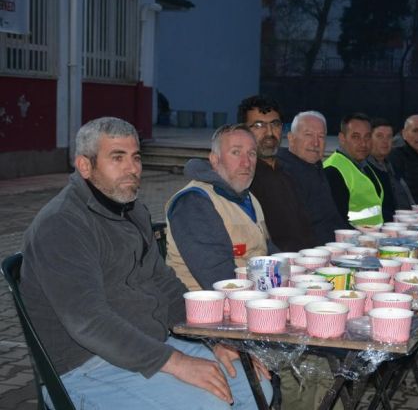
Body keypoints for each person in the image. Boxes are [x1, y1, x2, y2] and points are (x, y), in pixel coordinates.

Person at [20, 117, 272, 409]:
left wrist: (214, 340)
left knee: (255, 388)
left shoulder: (131, 211)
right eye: (118, 158)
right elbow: (88, 322)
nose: (132, 168)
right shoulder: (62, 224)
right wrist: (176, 362)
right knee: (211, 403)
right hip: (85, 365)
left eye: (136, 157)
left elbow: (165, 285)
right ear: (85, 166)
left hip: (148, 344)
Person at [166, 125, 270, 290]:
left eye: (252, 154)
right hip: (205, 309)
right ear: (215, 160)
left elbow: (266, 250)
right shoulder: (194, 202)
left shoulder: (248, 197)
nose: (246, 163)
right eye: (236, 152)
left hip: (249, 295)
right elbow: (219, 279)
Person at [238, 95, 317, 252]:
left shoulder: (291, 171)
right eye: (259, 125)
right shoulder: (243, 178)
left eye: (275, 124)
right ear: (243, 131)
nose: (269, 133)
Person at [278, 111, 350, 245]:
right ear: (291, 138)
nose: (316, 143)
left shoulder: (315, 167)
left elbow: (332, 218)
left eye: (321, 137)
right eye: (308, 135)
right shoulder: (283, 174)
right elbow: (297, 232)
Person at [324, 112, 387, 226]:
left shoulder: (364, 165)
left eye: (367, 137)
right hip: (353, 242)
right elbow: (335, 222)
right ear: (342, 138)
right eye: (356, 137)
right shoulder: (332, 171)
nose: (363, 143)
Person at [367, 117, 414, 212]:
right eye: (379, 136)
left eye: (389, 137)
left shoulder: (393, 166)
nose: (385, 141)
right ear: (369, 139)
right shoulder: (363, 169)